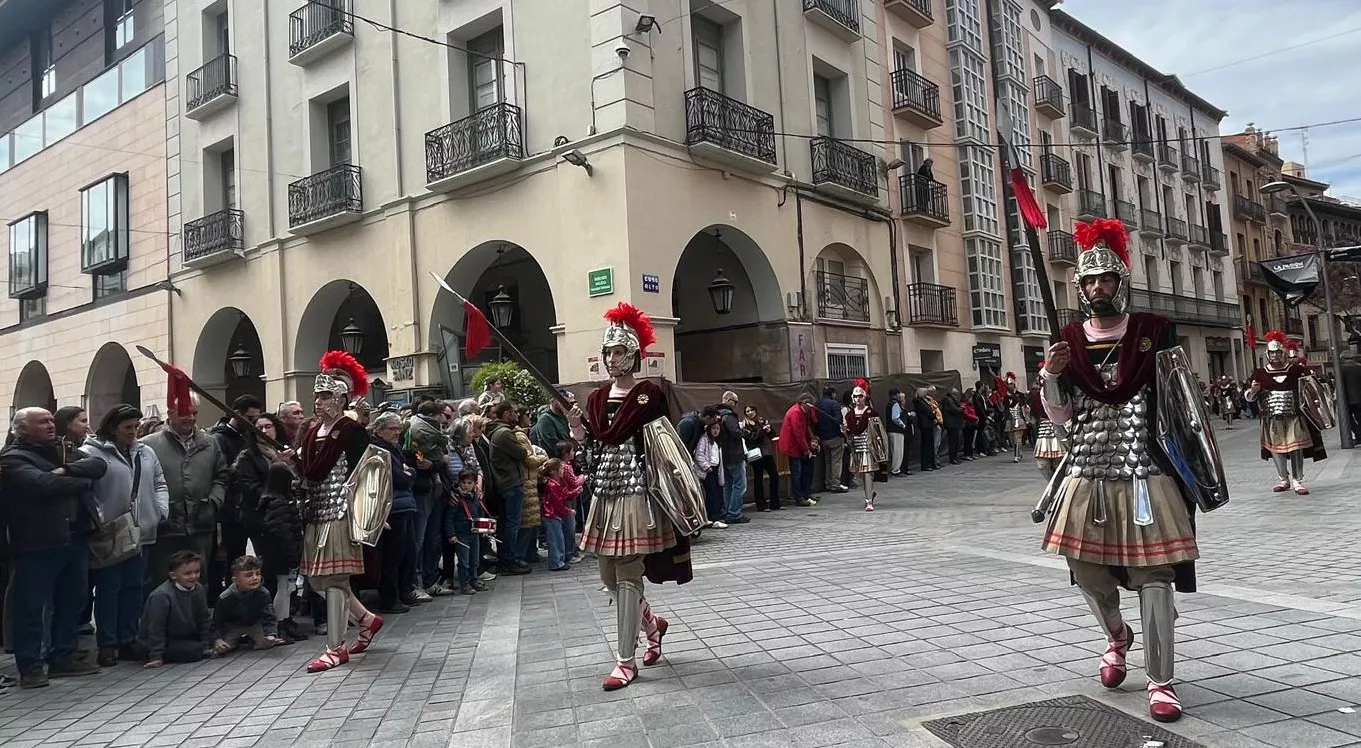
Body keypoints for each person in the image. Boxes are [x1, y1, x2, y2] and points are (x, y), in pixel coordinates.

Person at [1039, 217, 1216, 723]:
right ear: (1080, 287)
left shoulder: (1153, 331)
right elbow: (1061, 412)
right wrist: (1051, 375)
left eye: (1106, 279)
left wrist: (1197, 472)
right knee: (1086, 570)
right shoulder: (1067, 339)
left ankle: (1161, 681)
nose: (1098, 288)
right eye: (1090, 281)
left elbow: (1184, 403)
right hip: (1089, 468)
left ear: (1121, 282)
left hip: (1146, 468)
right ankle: (1118, 635)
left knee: (1153, 575)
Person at [570, 302, 692, 691]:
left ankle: (625, 661)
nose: (610, 358)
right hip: (606, 492)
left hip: (638, 493)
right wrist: (577, 429)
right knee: (607, 573)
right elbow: (595, 451)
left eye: (618, 351)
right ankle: (652, 625)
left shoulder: (647, 396)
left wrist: (592, 428)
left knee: (626, 572)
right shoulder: (595, 399)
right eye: (607, 352)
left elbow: (622, 436)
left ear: (633, 355)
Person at [2, 407, 108, 687]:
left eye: (51, 420)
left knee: (73, 601)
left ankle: (63, 657)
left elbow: (98, 467)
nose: (51, 425)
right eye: (42, 422)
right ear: (23, 429)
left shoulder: (63, 450)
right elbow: (42, 484)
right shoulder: (12, 458)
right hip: (37, 542)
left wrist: (67, 469)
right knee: (32, 608)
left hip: (75, 537)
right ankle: (30, 666)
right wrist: (77, 480)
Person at [297, 350, 386, 673]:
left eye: (324, 396)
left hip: (340, 510)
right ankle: (365, 619)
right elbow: (309, 472)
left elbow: (368, 471)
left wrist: (371, 512)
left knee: (334, 579)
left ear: (340, 398)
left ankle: (335, 648)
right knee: (318, 581)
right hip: (316, 510)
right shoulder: (309, 433)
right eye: (316, 396)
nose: (318, 402)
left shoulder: (351, 431)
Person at [82, 404, 170, 667]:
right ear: (113, 427)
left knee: (134, 587)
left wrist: (160, 511)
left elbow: (159, 483)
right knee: (109, 588)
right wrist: (98, 517)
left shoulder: (145, 452)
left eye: (135, 426)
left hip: (141, 530)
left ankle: (128, 638)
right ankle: (107, 643)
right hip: (111, 532)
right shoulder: (91, 453)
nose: (133, 432)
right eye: (127, 428)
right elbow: (87, 491)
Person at [140, 394, 229, 588]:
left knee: (198, 579)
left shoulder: (210, 442)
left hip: (201, 523)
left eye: (194, 413)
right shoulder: (148, 445)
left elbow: (221, 476)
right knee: (164, 579)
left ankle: (196, 617)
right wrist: (158, 510)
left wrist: (214, 502)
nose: (190, 418)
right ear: (171, 413)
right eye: (184, 414)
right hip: (167, 525)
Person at [1244, 330, 1329, 495]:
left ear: (1282, 353)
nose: (1274, 355)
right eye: (1271, 352)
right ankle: (1283, 479)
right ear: (1267, 354)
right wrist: (1253, 391)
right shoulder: (1260, 374)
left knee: (1296, 446)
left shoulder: (1296, 371)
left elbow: (1311, 391)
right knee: (1277, 449)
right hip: (1272, 418)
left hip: (1294, 416)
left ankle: (1298, 480)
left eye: (1277, 352)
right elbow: (1250, 398)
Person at [370, 412, 419, 614]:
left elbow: (409, 474)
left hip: (403, 504)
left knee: (408, 551)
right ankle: (390, 598)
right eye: (392, 429)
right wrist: (409, 474)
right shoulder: (379, 449)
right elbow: (400, 478)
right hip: (391, 506)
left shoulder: (394, 448)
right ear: (379, 430)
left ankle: (404, 591)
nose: (397, 433)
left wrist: (410, 473)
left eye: (399, 428)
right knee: (393, 555)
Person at [255, 457, 306, 642]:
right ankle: (280, 623)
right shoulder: (280, 503)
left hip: (275, 552)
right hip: (280, 554)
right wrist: (294, 555)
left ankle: (283, 622)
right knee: (283, 588)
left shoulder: (271, 500)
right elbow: (284, 533)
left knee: (284, 588)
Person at [139, 550, 216, 667]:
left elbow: (204, 619)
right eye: (188, 573)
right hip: (166, 640)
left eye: (197, 572)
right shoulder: (161, 596)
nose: (194, 576)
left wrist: (206, 645)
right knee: (192, 650)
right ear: (173, 575)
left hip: (184, 635)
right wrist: (156, 656)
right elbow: (156, 627)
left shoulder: (198, 589)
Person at [485, 402, 532, 575]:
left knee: (507, 523)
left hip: (506, 482)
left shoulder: (500, 432)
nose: (517, 416)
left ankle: (507, 558)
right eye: (513, 413)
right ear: (505, 414)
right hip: (510, 482)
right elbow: (522, 454)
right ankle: (508, 560)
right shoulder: (504, 433)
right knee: (512, 524)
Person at [212, 555, 287, 652]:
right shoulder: (225, 597)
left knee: (265, 644)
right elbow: (217, 622)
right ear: (236, 580)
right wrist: (217, 639)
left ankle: (252, 639)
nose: (255, 578)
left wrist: (271, 634)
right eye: (249, 575)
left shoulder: (263, 593)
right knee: (223, 648)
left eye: (258, 574)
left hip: (254, 624)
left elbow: (269, 617)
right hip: (233, 625)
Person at [444, 468, 487, 595]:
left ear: (474, 484)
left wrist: (483, 527)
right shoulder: (456, 499)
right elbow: (449, 519)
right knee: (464, 561)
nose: (466, 485)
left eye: (469, 483)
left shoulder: (475, 498)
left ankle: (474, 579)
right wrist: (451, 534)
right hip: (461, 535)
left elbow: (480, 513)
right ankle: (465, 584)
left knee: (474, 560)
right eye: (464, 483)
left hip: (474, 533)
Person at [843, 380, 884, 511]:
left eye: (860, 396)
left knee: (868, 473)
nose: (857, 399)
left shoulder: (871, 413)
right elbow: (850, 431)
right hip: (856, 447)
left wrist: (880, 449)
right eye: (855, 396)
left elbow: (878, 432)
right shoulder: (849, 414)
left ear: (865, 396)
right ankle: (869, 492)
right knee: (859, 475)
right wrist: (846, 432)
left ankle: (868, 501)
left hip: (868, 446)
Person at [715, 391, 748, 525]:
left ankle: (728, 511)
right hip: (734, 453)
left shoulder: (717, 414)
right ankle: (734, 513)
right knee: (740, 484)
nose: (736, 405)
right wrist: (743, 430)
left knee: (728, 485)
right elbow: (735, 432)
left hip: (723, 453)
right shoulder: (728, 416)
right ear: (728, 400)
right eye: (735, 402)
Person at [777, 396, 818, 507]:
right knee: (797, 472)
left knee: (802, 471)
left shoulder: (799, 411)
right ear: (805, 404)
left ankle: (805, 494)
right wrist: (806, 449)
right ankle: (799, 497)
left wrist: (810, 442)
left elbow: (804, 429)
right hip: (793, 446)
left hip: (796, 446)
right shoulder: (796, 413)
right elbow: (798, 433)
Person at [539, 459, 576, 571]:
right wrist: (568, 511)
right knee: (555, 539)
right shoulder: (552, 485)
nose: (562, 471)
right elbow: (558, 503)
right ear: (553, 471)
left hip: (553, 515)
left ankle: (559, 560)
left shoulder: (554, 483)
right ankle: (556, 563)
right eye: (560, 469)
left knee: (558, 538)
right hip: (551, 515)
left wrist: (575, 492)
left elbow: (562, 496)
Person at [741, 405, 780, 511]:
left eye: (752, 410)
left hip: (766, 452)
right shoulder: (745, 425)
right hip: (756, 454)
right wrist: (762, 430)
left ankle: (775, 503)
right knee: (758, 478)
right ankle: (761, 505)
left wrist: (768, 430)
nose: (750, 413)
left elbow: (773, 435)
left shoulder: (761, 421)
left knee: (774, 475)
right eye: (747, 411)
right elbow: (752, 438)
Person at [1030, 372, 1066, 479]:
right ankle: (1052, 484)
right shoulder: (1036, 396)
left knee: (1059, 463)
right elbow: (1033, 413)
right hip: (1043, 429)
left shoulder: (1061, 392)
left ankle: (1058, 485)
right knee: (1042, 465)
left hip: (1059, 427)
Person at [814, 387, 847, 493]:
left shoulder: (817, 404)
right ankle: (835, 484)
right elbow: (839, 420)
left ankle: (828, 483)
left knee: (828, 461)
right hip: (835, 436)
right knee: (836, 461)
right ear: (832, 394)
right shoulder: (834, 404)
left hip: (822, 437)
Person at [695, 421, 727, 527]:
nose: (716, 431)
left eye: (718, 429)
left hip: (716, 468)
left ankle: (716, 516)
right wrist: (706, 466)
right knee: (711, 493)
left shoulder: (716, 441)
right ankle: (713, 518)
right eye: (713, 428)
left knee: (717, 492)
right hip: (708, 469)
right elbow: (699, 454)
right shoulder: (704, 439)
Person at [1001, 373, 1029, 463]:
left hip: (1018, 418)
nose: (1010, 386)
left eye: (1011, 384)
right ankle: (1018, 452)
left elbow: (1024, 407)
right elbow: (1004, 408)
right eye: (1008, 384)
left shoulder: (1020, 395)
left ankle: (1016, 456)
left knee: (1017, 439)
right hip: (1009, 419)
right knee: (1012, 440)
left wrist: (1026, 418)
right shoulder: (1005, 397)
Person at [912, 388, 939, 471]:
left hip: (928, 424)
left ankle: (930, 463)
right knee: (926, 445)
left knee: (930, 444)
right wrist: (933, 415)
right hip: (925, 424)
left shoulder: (924, 401)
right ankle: (926, 464)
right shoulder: (919, 402)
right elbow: (928, 411)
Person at [941, 389, 966, 465]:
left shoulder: (950, 400)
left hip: (954, 423)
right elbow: (954, 409)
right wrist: (962, 408)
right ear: (953, 394)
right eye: (956, 394)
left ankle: (954, 457)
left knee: (955, 441)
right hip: (952, 423)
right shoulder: (949, 400)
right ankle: (953, 458)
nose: (957, 396)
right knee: (953, 441)